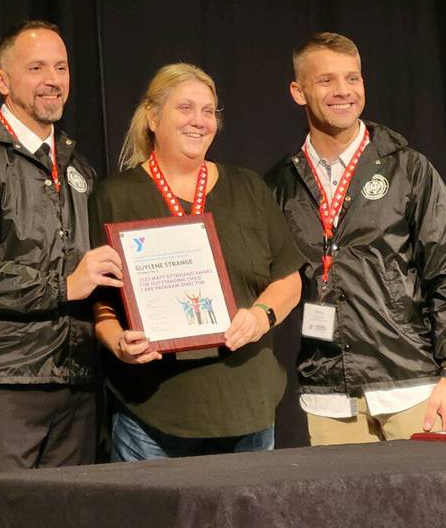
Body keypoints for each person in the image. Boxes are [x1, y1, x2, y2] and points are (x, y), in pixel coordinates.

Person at [0, 20, 123, 520]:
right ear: (2, 80)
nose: (52, 79)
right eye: (36, 68)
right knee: (4, 518)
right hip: (2, 381)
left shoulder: (80, 169)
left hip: (77, 379)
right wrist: (65, 285)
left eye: (61, 67)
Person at [265, 32, 446, 445]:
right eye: (326, 81)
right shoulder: (280, 184)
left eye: (353, 79)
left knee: (426, 509)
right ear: (298, 91)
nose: (343, 91)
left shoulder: (407, 168)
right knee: (342, 512)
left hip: (411, 386)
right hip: (328, 395)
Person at [89, 63, 304, 461]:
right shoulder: (114, 197)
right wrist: (118, 342)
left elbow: (289, 280)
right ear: (152, 117)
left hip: (245, 408)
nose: (200, 121)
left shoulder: (249, 188)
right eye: (185, 108)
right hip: (151, 410)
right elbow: (100, 301)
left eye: (209, 111)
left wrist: (260, 316)